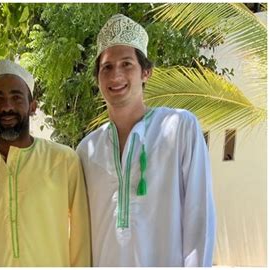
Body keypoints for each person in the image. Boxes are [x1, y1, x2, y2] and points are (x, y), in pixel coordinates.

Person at [76, 14, 216, 267]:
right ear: (98, 78)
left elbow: (199, 217)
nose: (116, 74)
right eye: (106, 67)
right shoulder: (87, 150)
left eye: (127, 64)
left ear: (146, 72)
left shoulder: (180, 127)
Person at [0, 59, 91, 266]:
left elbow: (81, 241)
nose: (7, 107)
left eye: (16, 97)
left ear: (32, 106)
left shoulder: (63, 161)